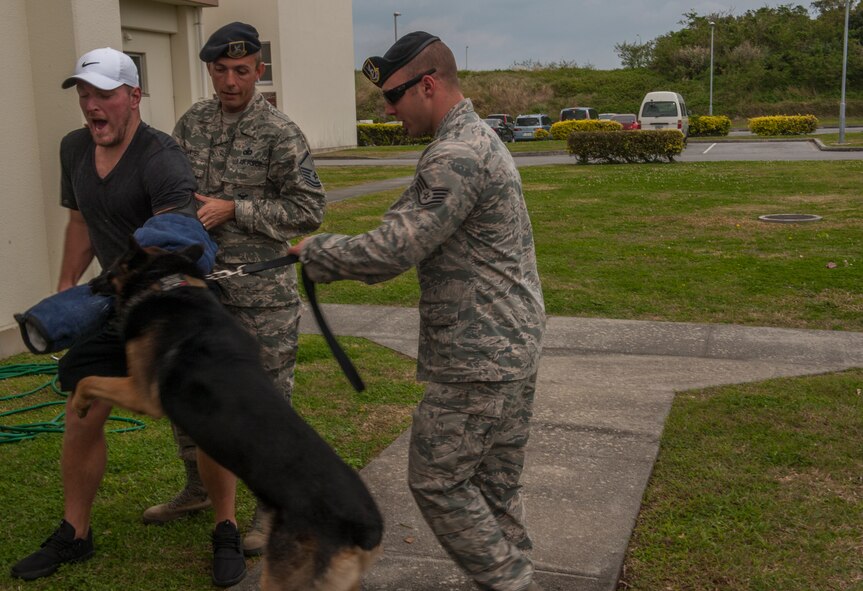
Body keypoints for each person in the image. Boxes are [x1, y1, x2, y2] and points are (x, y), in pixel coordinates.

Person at [289, 32, 546, 591]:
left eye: (394, 95)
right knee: (491, 491)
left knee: (438, 482)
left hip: (478, 358)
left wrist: (318, 252)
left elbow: (393, 250)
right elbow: (405, 225)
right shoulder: (477, 139)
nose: (386, 109)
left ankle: (512, 581)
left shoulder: (457, 153)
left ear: (428, 84)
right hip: (509, 349)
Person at [9, 47, 245, 586]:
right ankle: (75, 532)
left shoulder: (162, 158)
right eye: (84, 94)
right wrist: (67, 290)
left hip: (172, 303)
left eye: (104, 94)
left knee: (204, 420)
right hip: (112, 301)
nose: (92, 105)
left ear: (133, 97)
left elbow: (174, 244)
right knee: (81, 409)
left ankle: (225, 526)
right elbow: (82, 223)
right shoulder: (74, 148)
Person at [147, 21, 326, 559]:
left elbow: (309, 209)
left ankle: (271, 510)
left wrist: (236, 209)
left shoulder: (280, 132)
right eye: (221, 70)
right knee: (189, 392)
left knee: (265, 406)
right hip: (198, 288)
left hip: (260, 295)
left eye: (241, 71)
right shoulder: (192, 121)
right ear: (209, 70)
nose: (230, 81)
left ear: (259, 71)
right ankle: (200, 488)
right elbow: (177, 188)